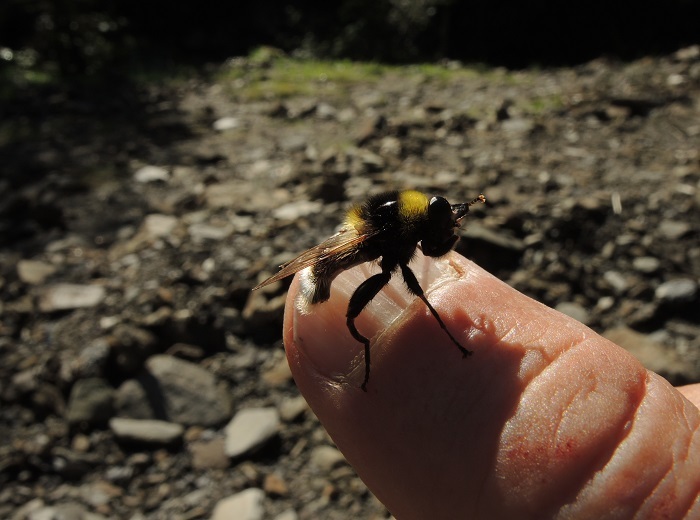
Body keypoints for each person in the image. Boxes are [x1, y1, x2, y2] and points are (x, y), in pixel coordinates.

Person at [283, 252, 700, 519]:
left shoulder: (398, 234)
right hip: (326, 282)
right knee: (401, 301)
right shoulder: (391, 238)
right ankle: (369, 351)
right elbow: (416, 282)